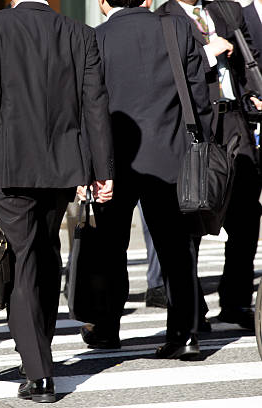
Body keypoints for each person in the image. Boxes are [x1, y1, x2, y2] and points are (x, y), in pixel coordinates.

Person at [0, 0, 114, 402]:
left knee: (22, 262)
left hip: (11, 166)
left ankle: (38, 370)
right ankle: (38, 351)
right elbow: (95, 106)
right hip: (63, 166)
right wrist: (103, 170)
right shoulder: (79, 33)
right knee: (47, 257)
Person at [88, 0, 212, 360]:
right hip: (170, 155)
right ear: (146, 0)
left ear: (102, 3)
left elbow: (90, 105)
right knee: (177, 248)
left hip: (115, 159)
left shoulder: (97, 38)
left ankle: (108, 327)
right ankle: (185, 333)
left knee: (111, 247)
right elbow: (199, 96)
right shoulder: (176, 28)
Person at [157, 0, 262, 332]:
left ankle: (236, 301)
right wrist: (208, 53)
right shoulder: (164, 18)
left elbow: (251, 57)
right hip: (196, 122)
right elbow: (168, 72)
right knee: (194, 211)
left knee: (246, 214)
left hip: (235, 117)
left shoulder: (227, 9)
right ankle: (192, 308)